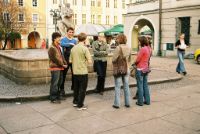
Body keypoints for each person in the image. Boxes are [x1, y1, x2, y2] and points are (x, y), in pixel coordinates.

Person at [69, 32, 92, 110]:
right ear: (85, 39)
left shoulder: (73, 48)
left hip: (75, 71)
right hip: (83, 71)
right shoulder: (85, 48)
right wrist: (84, 61)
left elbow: (70, 61)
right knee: (82, 89)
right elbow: (90, 61)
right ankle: (80, 105)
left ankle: (75, 102)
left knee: (76, 88)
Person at [112, 34, 131, 109]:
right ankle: (127, 103)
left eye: (117, 39)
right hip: (126, 68)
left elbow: (113, 59)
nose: (116, 40)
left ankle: (117, 104)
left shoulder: (118, 48)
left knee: (117, 86)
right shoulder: (129, 47)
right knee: (126, 86)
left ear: (120, 39)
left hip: (119, 69)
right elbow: (129, 59)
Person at [48, 32, 67, 104]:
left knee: (59, 82)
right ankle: (53, 98)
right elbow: (54, 59)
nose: (60, 39)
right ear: (54, 38)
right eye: (59, 37)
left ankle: (57, 96)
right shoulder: (51, 48)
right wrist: (62, 64)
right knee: (55, 83)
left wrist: (65, 63)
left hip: (60, 67)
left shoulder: (58, 46)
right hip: (55, 67)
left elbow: (61, 56)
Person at [60, 27, 77, 98]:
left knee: (74, 74)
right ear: (67, 32)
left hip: (73, 59)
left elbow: (76, 48)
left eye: (72, 32)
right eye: (70, 32)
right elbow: (62, 44)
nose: (71, 33)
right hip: (66, 59)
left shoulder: (74, 40)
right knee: (63, 75)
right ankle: (62, 89)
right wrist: (70, 44)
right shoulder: (63, 39)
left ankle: (73, 87)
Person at [135, 36, 151, 106]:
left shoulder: (142, 49)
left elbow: (138, 59)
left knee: (140, 86)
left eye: (139, 41)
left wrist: (134, 63)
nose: (138, 42)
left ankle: (140, 102)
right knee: (145, 85)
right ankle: (147, 101)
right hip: (146, 68)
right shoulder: (149, 48)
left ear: (141, 42)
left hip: (140, 69)